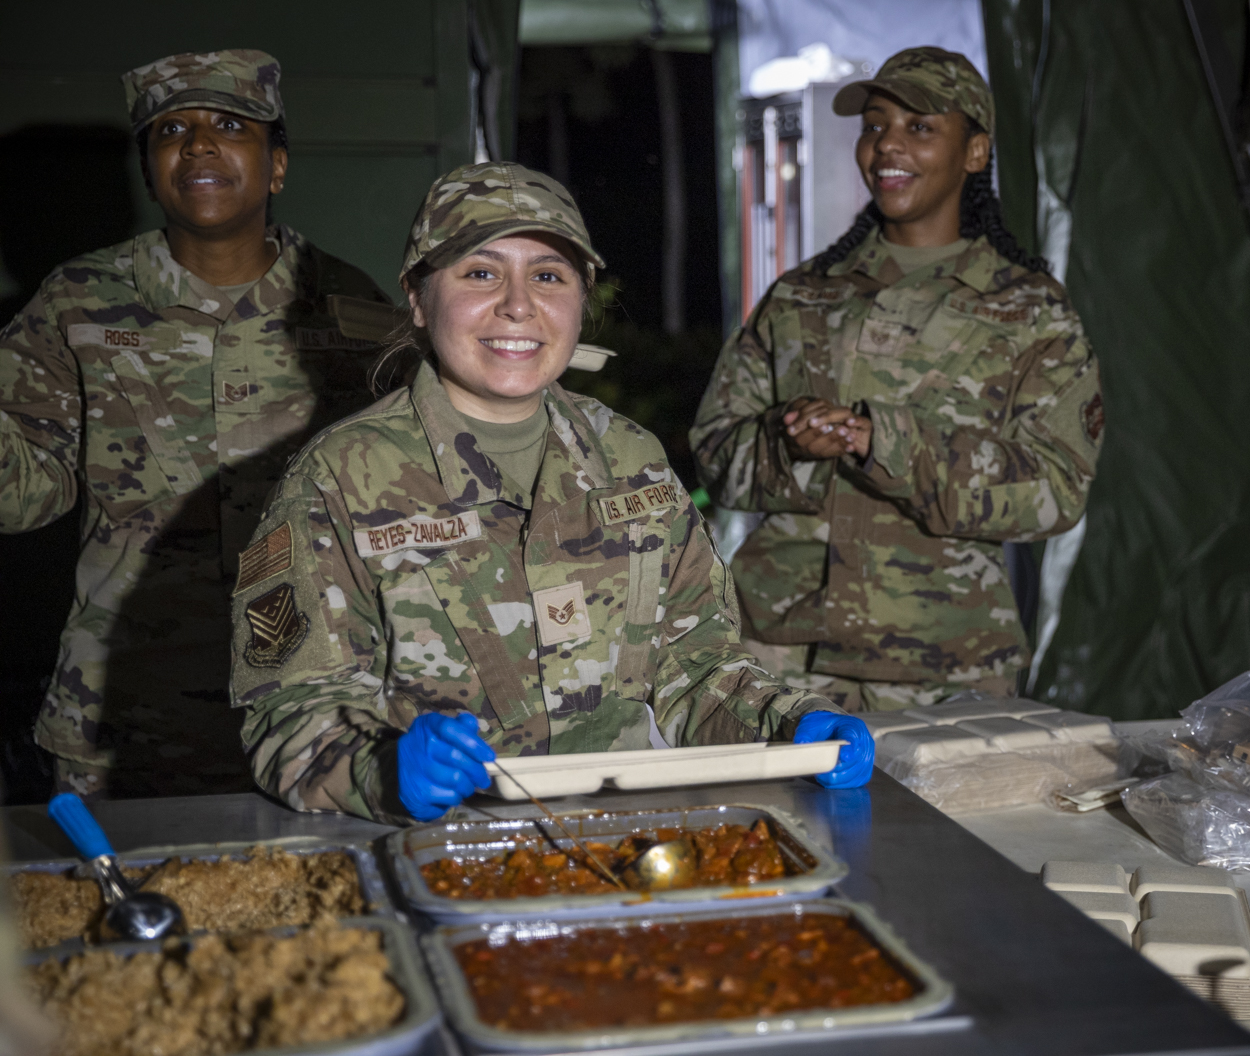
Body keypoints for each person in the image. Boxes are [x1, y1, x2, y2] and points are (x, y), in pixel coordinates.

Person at [229, 163, 872, 823]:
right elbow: (289, 710)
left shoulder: (632, 461)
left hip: (623, 846)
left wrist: (791, 722)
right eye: (480, 272)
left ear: (580, 299)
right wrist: (381, 769)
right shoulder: (339, 478)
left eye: (548, 275)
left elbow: (694, 665)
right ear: (419, 299)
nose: (518, 304)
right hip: (432, 855)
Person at [0, 50, 393, 799]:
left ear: (276, 165)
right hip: (125, 717)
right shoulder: (77, 303)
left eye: (230, 124)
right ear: (151, 171)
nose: (199, 143)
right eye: (170, 129)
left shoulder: (350, 311)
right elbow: (27, 494)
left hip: (311, 715)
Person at [690, 46, 1102, 712]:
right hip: (775, 653)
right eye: (875, 125)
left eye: (920, 127)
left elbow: (1057, 491)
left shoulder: (1029, 311)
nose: (887, 147)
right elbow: (715, 452)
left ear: (974, 152)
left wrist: (886, 443)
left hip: (940, 664)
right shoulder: (802, 295)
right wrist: (786, 444)